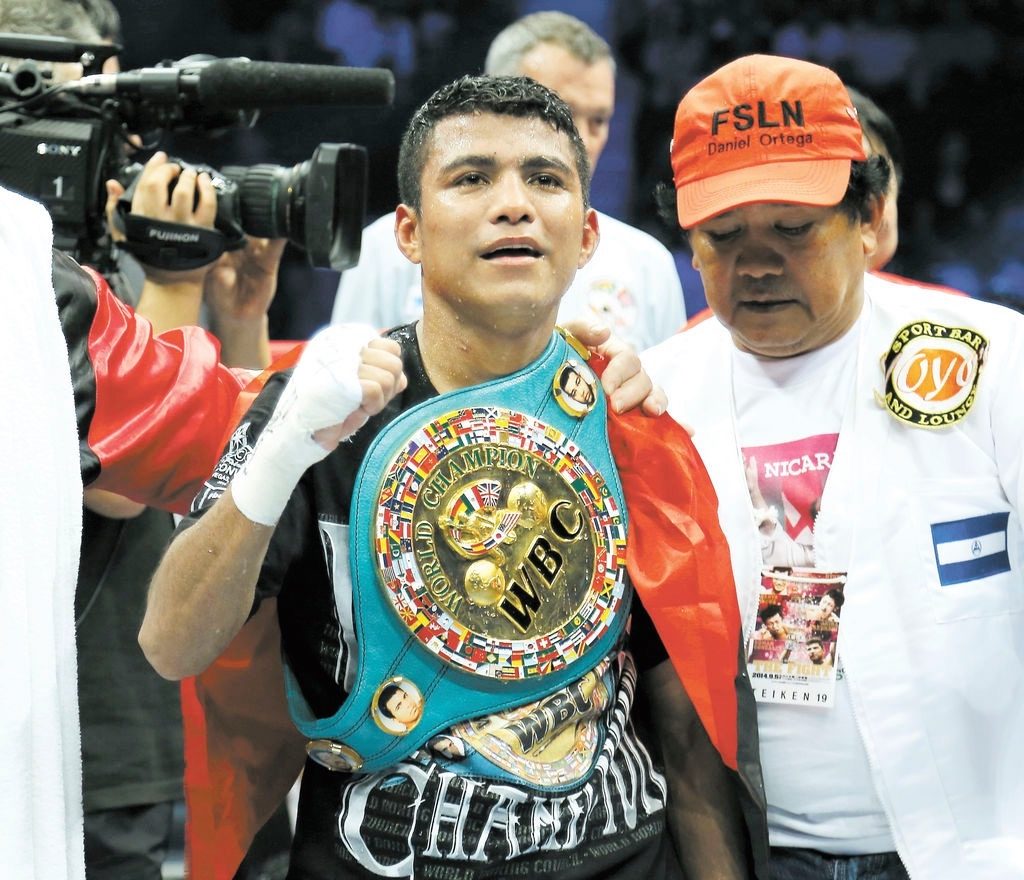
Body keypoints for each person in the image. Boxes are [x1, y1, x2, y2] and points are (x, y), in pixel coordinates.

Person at [143, 75, 763, 879]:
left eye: (545, 179)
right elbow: (171, 642)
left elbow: (688, 735)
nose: (514, 204)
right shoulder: (324, 409)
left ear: (585, 234)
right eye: (471, 179)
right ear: (408, 232)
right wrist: (282, 450)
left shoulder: (621, 414)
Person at [644, 53, 1024, 879]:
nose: (757, 263)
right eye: (724, 236)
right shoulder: (656, 402)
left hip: (985, 849)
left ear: (868, 217)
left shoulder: (992, 361)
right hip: (768, 850)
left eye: (793, 228)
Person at [331, 10, 685, 350]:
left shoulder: (646, 264)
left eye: (599, 119)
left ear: (587, 239)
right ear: (493, 98)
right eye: (555, 109)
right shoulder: (386, 247)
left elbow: (663, 404)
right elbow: (346, 391)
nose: (579, 136)